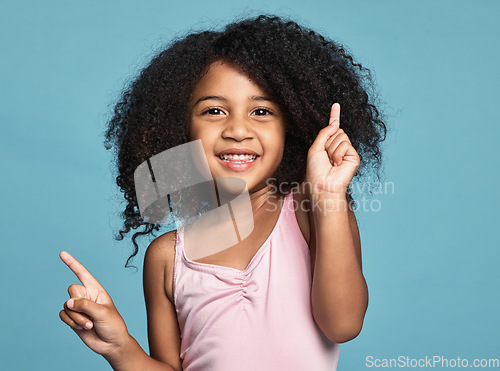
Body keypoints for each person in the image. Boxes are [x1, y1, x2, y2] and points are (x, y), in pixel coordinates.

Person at [59, 14, 387, 371]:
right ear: (180, 128)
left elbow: (343, 324)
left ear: (291, 125)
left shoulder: (313, 211)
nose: (237, 130)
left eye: (261, 111)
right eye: (214, 111)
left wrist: (327, 195)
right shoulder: (167, 257)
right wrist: (120, 347)